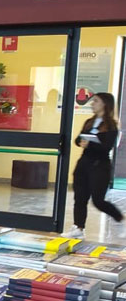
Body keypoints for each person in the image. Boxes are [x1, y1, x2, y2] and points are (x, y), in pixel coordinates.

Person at [63, 92, 123, 239]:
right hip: (84, 164)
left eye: (95, 101)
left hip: (100, 166)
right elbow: (78, 139)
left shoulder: (111, 126)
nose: (92, 104)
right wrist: (81, 142)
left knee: (98, 201)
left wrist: (90, 144)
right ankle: (78, 227)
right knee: (80, 198)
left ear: (105, 104)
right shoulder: (89, 122)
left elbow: (106, 147)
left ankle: (120, 218)